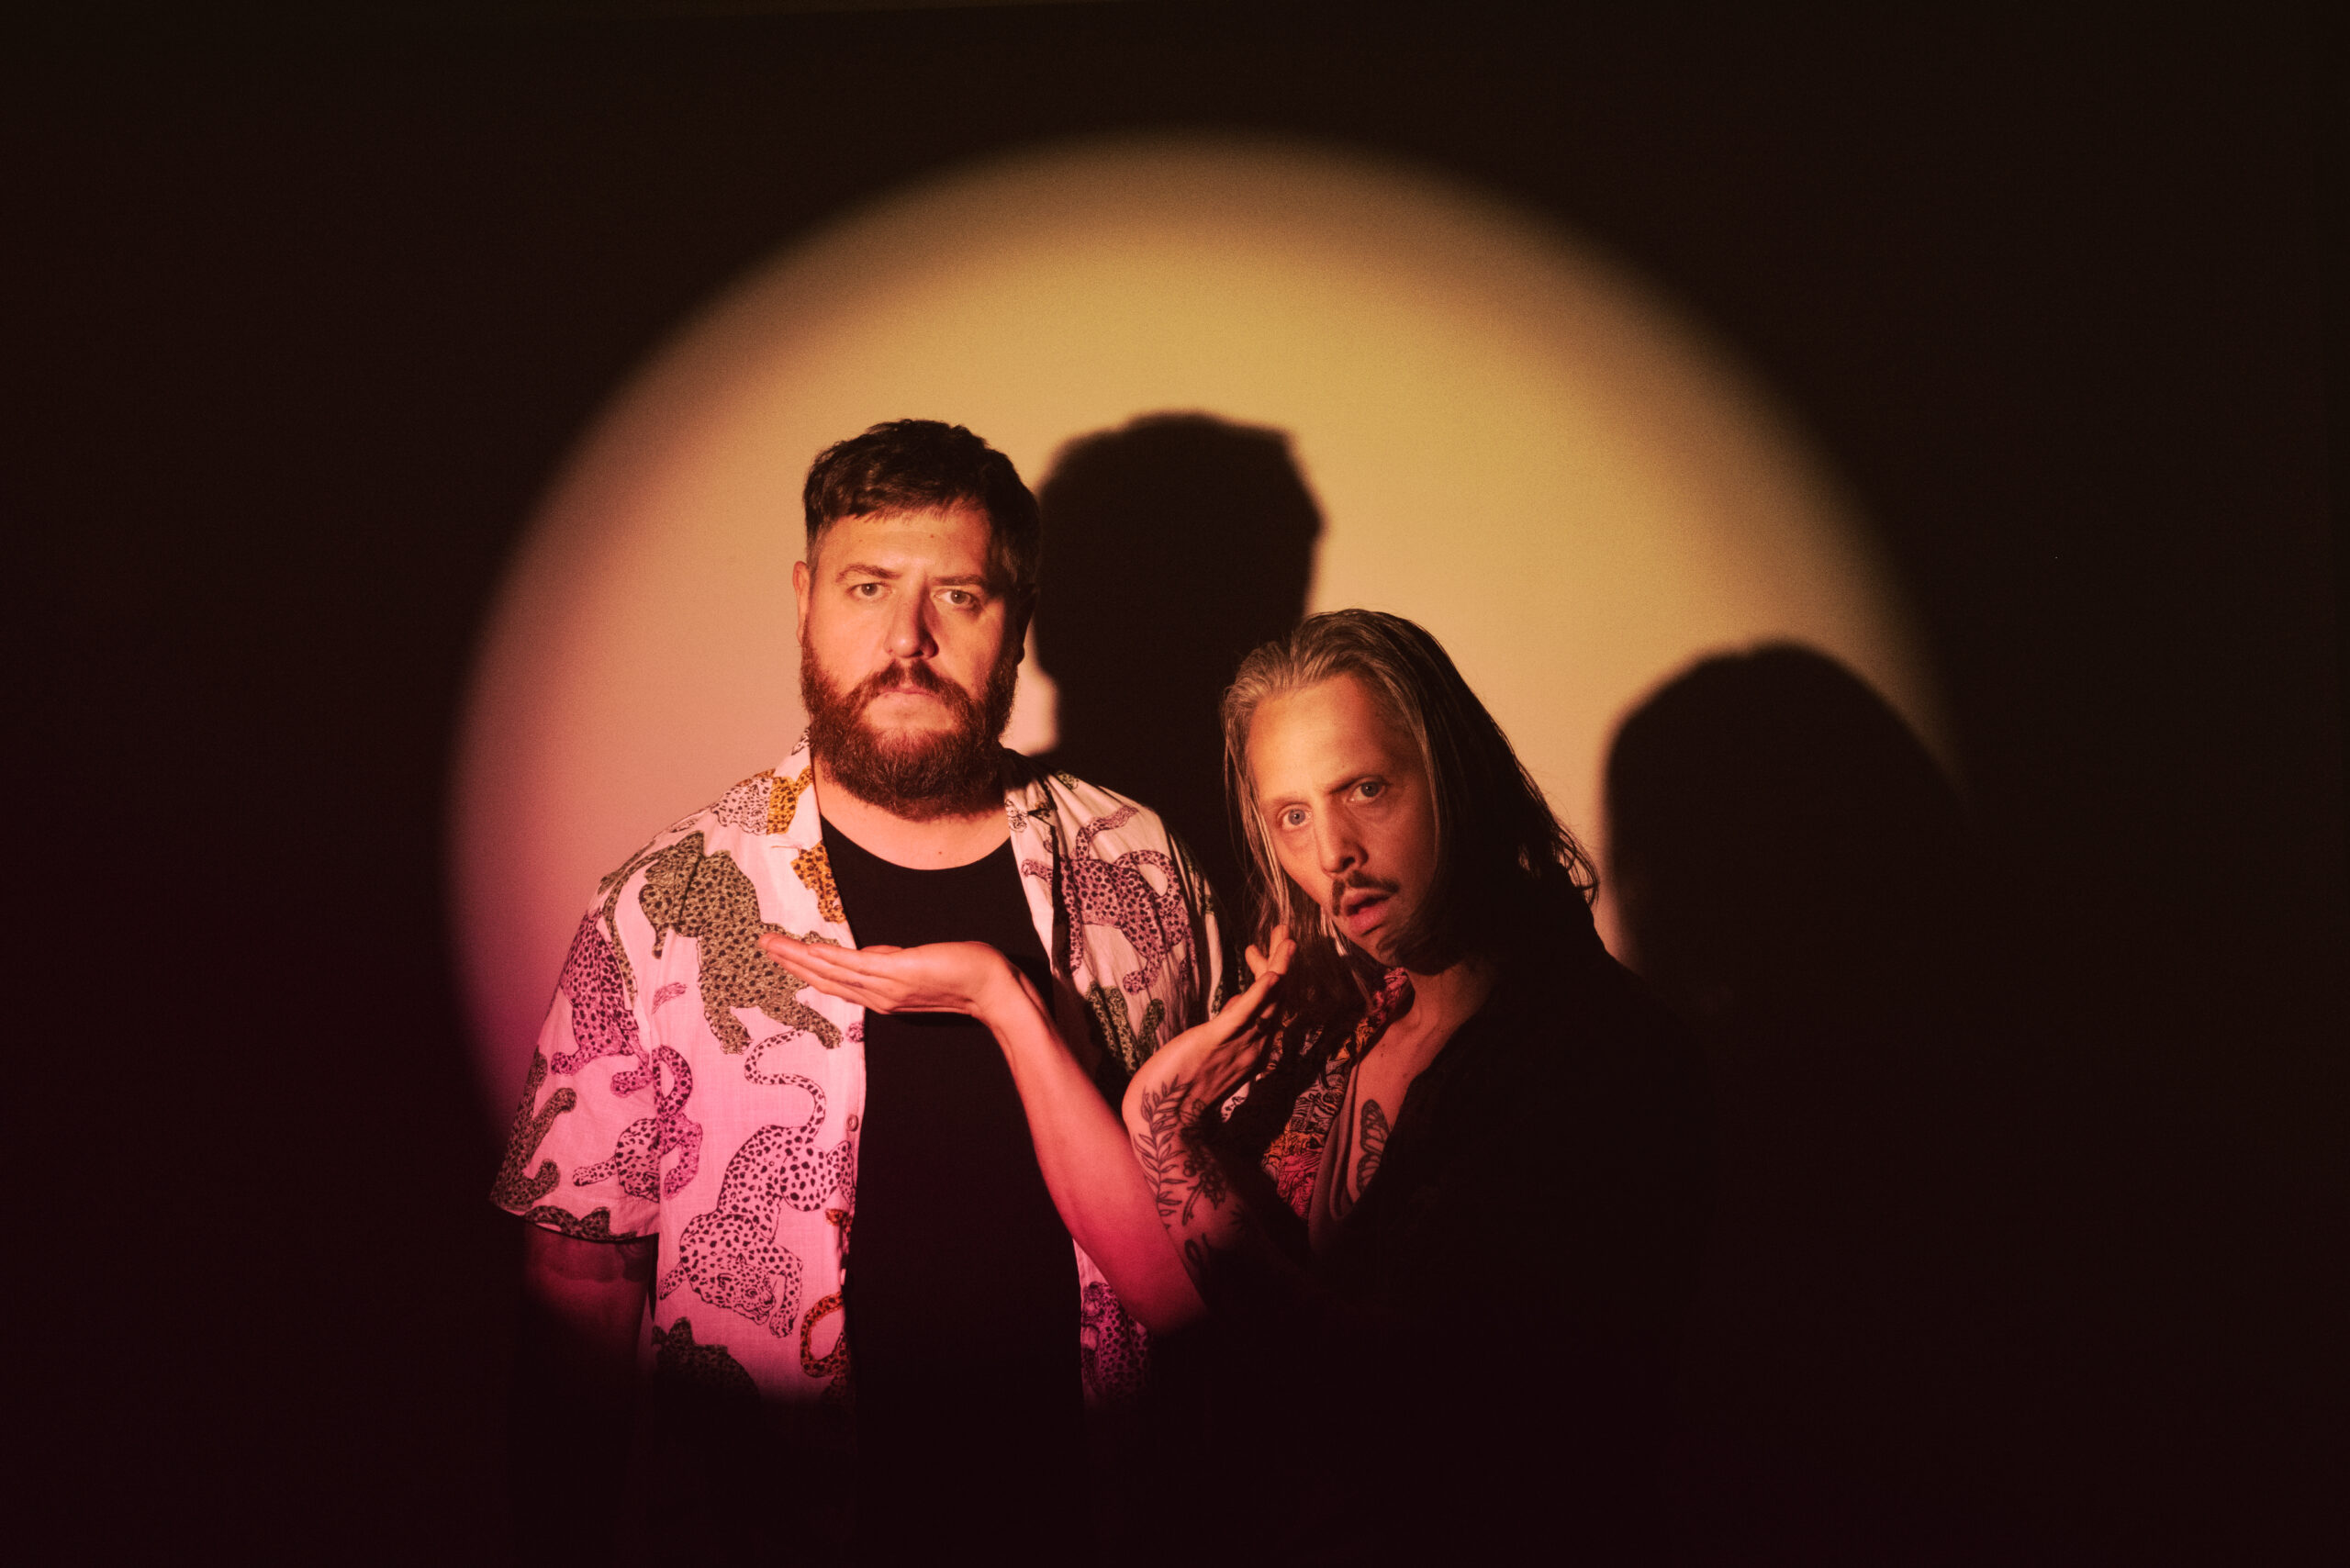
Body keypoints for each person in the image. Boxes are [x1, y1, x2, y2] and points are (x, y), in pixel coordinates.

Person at [778, 610, 1709, 1563]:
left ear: (1454, 772)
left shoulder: (1599, 1059)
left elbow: (1389, 1408)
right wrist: (1012, 1008)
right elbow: (1180, 1297)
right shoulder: (1341, 1018)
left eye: (1367, 788)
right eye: (1292, 816)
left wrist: (1166, 1137)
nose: (1332, 852)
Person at [493, 420, 1227, 1566]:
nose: (907, 640)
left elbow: (1233, 1240)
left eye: (960, 597)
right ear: (805, 600)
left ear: (1020, 621)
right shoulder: (660, 905)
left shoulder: (1145, 870)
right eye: (868, 587)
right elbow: (579, 1287)